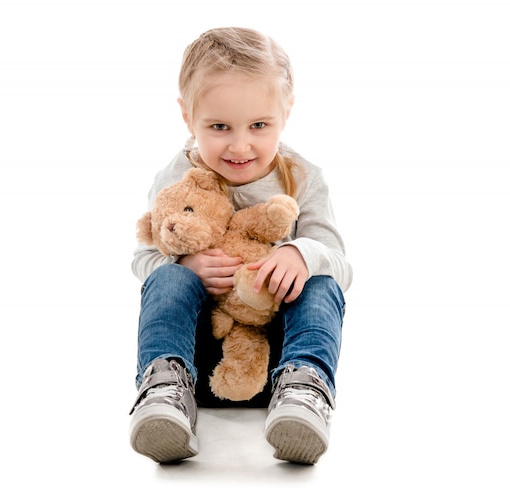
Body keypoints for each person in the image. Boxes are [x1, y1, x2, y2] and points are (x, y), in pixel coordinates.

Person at [128, 27, 352, 465]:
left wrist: (300, 254)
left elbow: (341, 263)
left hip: (279, 350)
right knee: (167, 277)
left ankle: (305, 388)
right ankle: (164, 389)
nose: (240, 144)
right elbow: (142, 259)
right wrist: (185, 264)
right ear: (186, 116)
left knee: (323, 284)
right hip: (202, 351)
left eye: (259, 125)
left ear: (286, 112)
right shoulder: (176, 178)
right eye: (218, 126)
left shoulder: (304, 178)